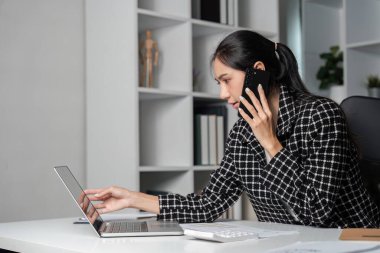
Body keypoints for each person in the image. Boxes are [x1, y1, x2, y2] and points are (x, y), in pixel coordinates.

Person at [85, 30, 380, 228]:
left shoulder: (321, 115)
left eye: (227, 80)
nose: (223, 94)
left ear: (258, 72)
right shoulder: (242, 132)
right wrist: (132, 199)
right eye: (219, 83)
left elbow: (315, 213)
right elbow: (209, 204)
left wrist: (271, 143)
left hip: (350, 243)